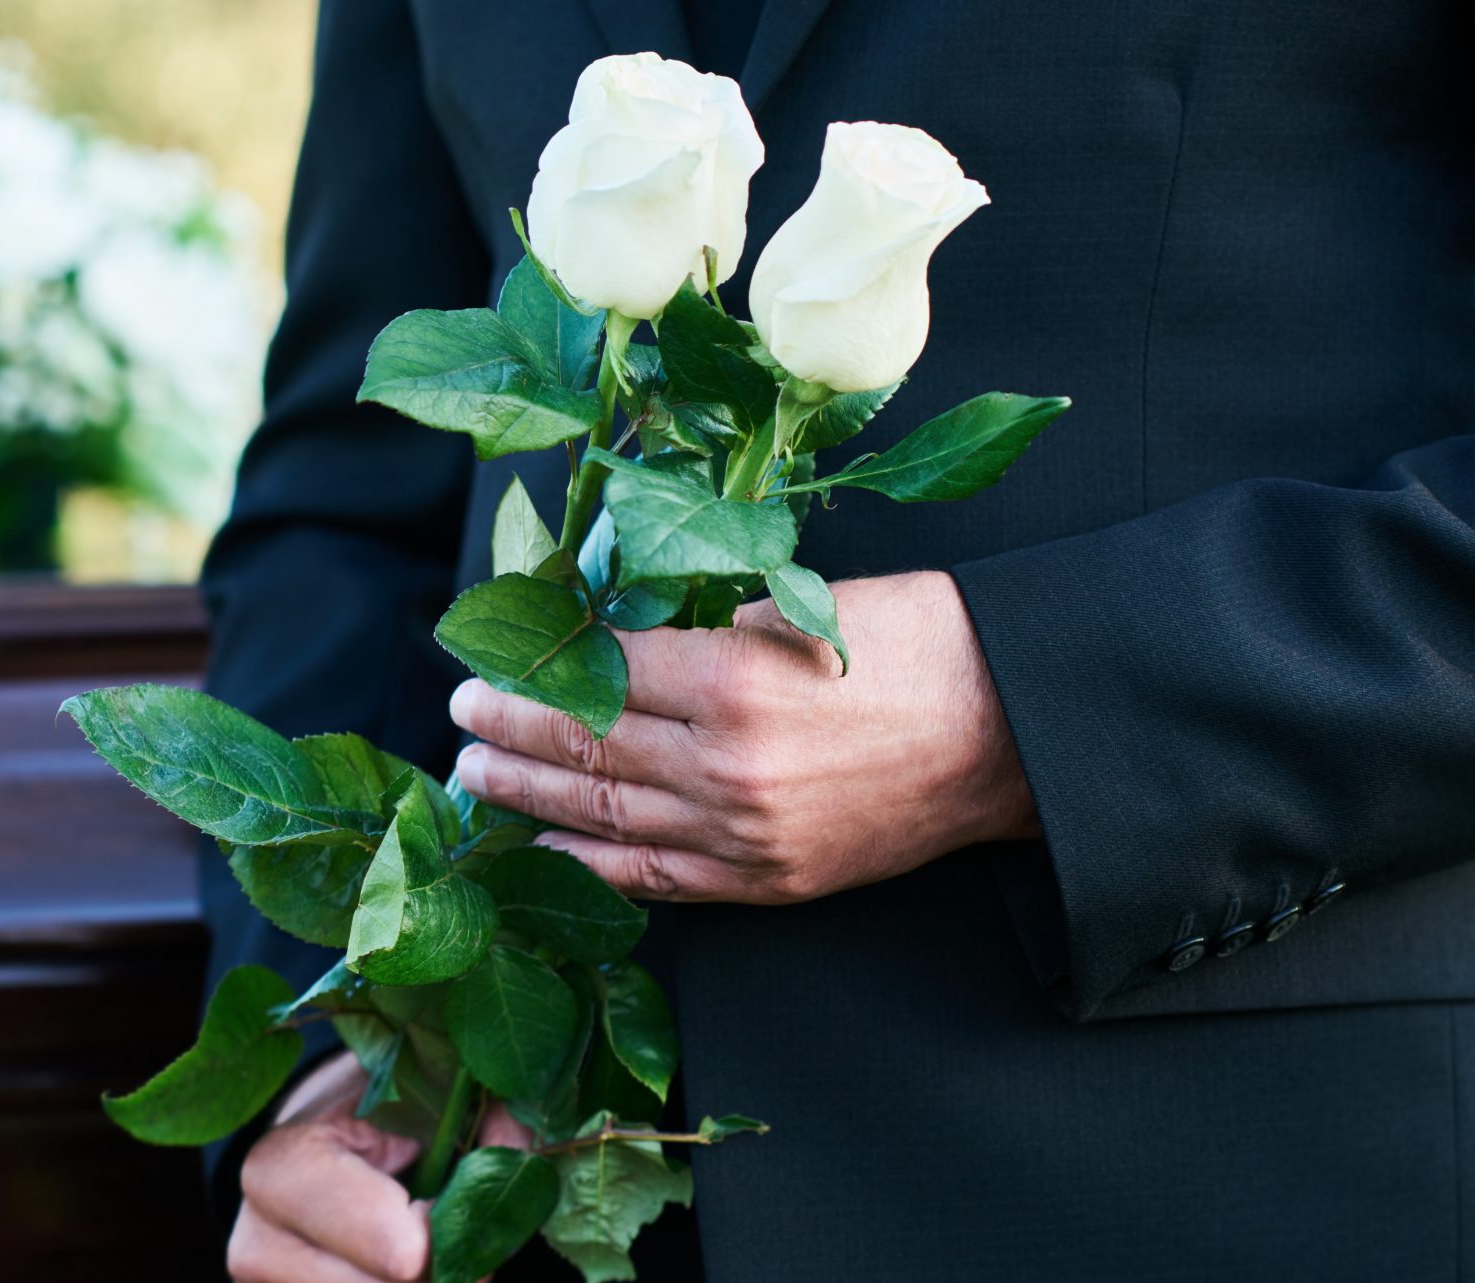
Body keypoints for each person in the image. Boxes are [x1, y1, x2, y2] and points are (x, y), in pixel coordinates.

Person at [199, 1, 1474, 1279]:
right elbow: (352, 502)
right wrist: (339, 1048)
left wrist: (1007, 709)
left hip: (1218, 1170)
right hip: (519, 1172)